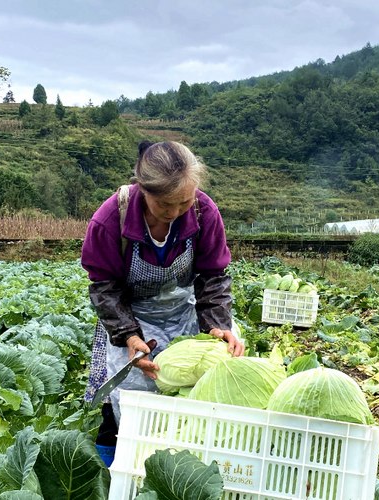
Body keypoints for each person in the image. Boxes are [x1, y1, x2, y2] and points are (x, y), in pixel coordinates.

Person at [81, 140, 245, 466]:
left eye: (183, 202)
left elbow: (213, 276)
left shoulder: (203, 211)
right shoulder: (110, 219)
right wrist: (128, 335)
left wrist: (215, 327)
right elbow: (105, 287)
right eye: (164, 205)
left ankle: (190, 460)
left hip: (183, 309)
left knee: (206, 381)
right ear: (144, 190)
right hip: (131, 314)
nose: (174, 213)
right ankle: (116, 471)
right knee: (126, 399)